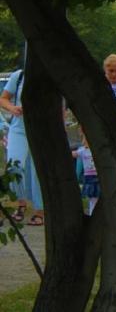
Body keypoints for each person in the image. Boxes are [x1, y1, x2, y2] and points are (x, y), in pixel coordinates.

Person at [0, 69, 44, 226]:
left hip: (42, 129)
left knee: (37, 170)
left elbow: (60, 104)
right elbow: (3, 99)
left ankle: (40, 210)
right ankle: (21, 204)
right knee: (14, 166)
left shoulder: (49, 74)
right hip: (18, 128)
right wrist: (13, 109)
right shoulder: (19, 76)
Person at [72, 136, 99, 216]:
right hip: (90, 178)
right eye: (84, 138)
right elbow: (74, 154)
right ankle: (92, 214)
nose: (84, 140)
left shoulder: (97, 150)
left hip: (98, 177)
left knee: (96, 198)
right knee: (92, 199)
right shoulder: (82, 150)